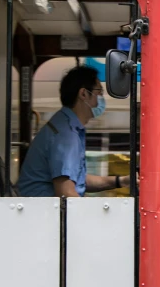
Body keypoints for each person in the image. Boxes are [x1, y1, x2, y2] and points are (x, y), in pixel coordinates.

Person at [16, 66, 129, 197]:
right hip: (42, 214)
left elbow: (78, 180)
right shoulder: (66, 135)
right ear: (83, 94)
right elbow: (66, 192)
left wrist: (121, 181)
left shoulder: (68, 127)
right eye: (99, 92)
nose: (101, 98)